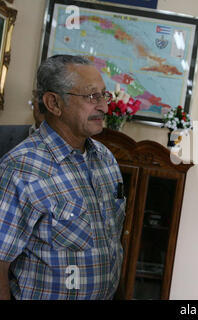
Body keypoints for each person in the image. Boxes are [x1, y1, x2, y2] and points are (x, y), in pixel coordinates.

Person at [0, 55, 125, 300]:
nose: (103, 106)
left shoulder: (106, 160)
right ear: (54, 103)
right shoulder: (20, 168)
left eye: (104, 95)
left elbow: (112, 244)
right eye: (91, 96)